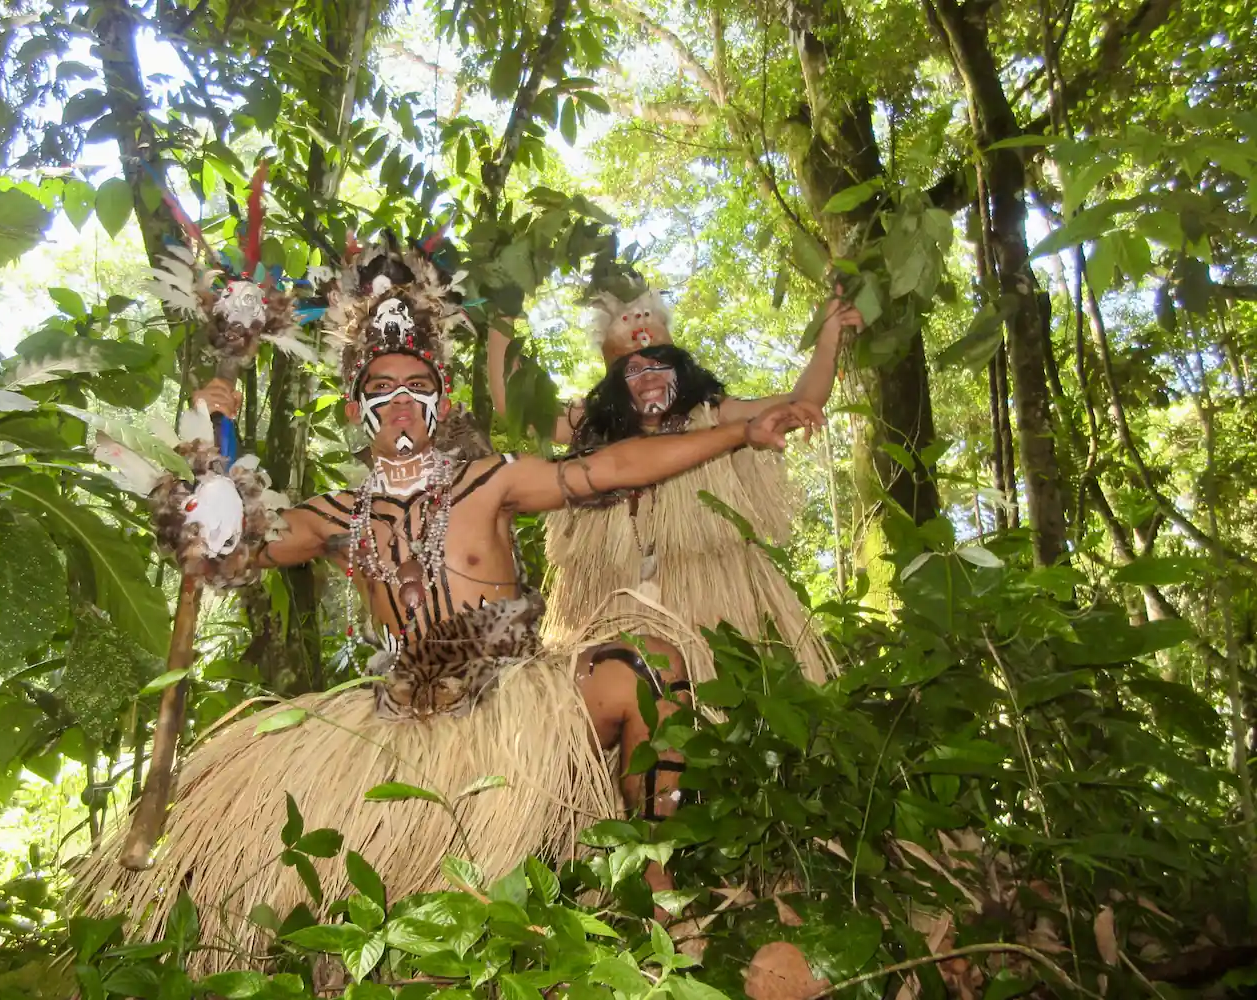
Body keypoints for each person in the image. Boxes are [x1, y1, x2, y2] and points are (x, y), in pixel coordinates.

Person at [75, 239, 814, 973]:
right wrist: (213, 491)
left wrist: (737, 433)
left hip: (518, 703)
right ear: (356, 407)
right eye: (382, 389)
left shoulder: (489, 482)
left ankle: (657, 892)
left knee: (644, 667)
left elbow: (606, 467)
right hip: (404, 717)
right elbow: (244, 549)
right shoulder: (338, 513)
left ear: (444, 402)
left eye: (415, 386)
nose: (400, 402)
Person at [488, 259, 862, 687]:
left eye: (658, 363)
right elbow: (517, 409)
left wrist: (830, 334)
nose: (647, 377)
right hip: (607, 609)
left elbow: (801, 403)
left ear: (681, 368)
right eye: (632, 368)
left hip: (712, 606)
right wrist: (501, 314)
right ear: (613, 381)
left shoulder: (714, 416)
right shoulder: (588, 428)